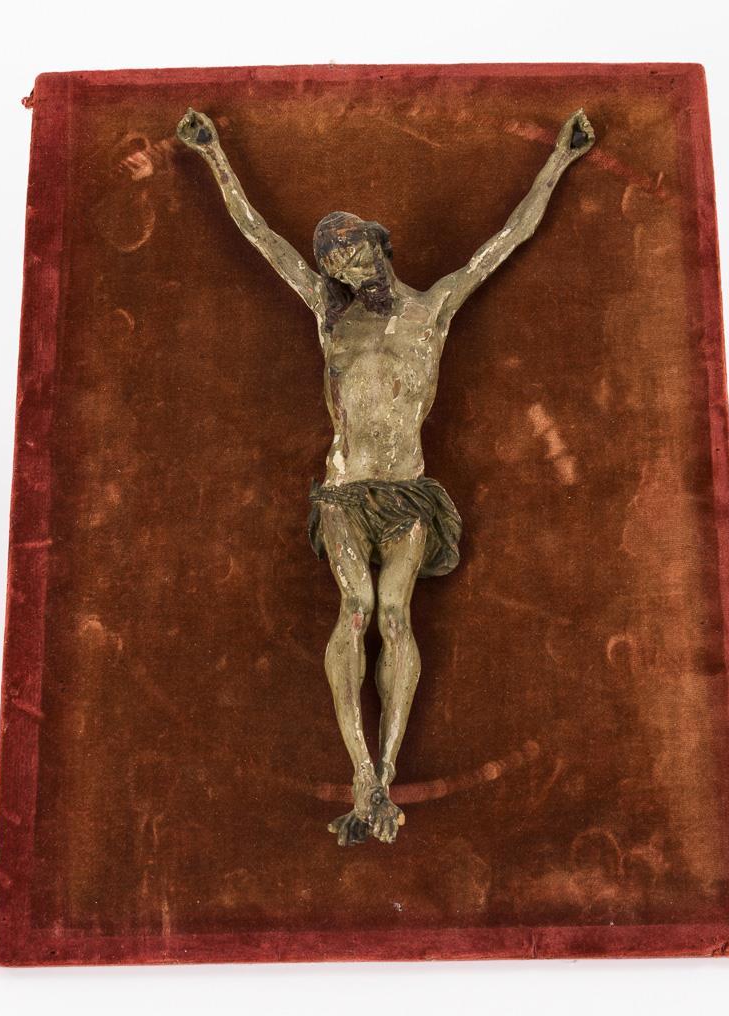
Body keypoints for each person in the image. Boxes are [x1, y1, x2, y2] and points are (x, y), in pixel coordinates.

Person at [177, 104, 595, 844]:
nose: (342, 264)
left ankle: (387, 774)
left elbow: (507, 240)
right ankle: (361, 776)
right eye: (332, 259)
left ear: (377, 243)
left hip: (405, 491)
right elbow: (262, 238)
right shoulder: (329, 316)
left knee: (395, 613)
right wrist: (214, 157)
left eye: (349, 248)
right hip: (344, 489)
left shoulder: (432, 309)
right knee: (356, 607)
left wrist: (560, 159)